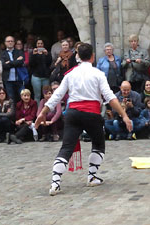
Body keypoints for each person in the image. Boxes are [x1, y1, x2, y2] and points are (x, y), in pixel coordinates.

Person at [35, 43, 132, 196]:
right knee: (99, 144)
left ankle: (55, 183)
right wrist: (125, 116)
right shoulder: (98, 74)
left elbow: (57, 96)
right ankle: (92, 177)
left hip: (73, 114)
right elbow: (110, 97)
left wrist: (43, 112)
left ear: (77, 56)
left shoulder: (70, 74)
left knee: (66, 147)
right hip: (92, 115)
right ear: (93, 56)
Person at [0, 36, 25, 103]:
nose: (10, 42)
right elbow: (4, 65)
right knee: (11, 98)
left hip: (19, 79)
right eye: (8, 41)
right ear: (5, 43)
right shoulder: (2, 54)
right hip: (8, 80)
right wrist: (16, 61)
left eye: (12, 41)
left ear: (14, 43)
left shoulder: (19, 52)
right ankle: (12, 113)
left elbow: (21, 62)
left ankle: (22, 113)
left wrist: (10, 62)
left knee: (22, 97)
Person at [29, 38, 52, 104]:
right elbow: (31, 64)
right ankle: (37, 112)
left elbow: (49, 63)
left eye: (41, 43)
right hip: (36, 77)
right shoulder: (33, 53)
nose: (40, 45)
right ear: (36, 44)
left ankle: (47, 111)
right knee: (37, 95)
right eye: (38, 43)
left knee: (47, 95)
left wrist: (47, 55)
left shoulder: (47, 52)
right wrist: (34, 55)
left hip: (45, 77)